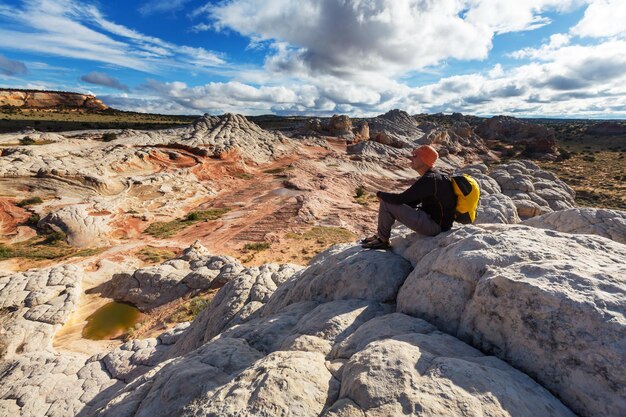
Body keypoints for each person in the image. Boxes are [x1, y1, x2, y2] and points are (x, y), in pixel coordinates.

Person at [361, 144, 457, 249]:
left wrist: (380, 194)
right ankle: (380, 235)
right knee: (392, 203)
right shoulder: (435, 176)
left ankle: (382, 240)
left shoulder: (429, 179)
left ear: (424, 159)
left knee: (386, 202)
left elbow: (400, 199)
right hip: (439, 224)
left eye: (415, 156)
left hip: (435, 227)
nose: (411, 158)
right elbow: (411, 201)